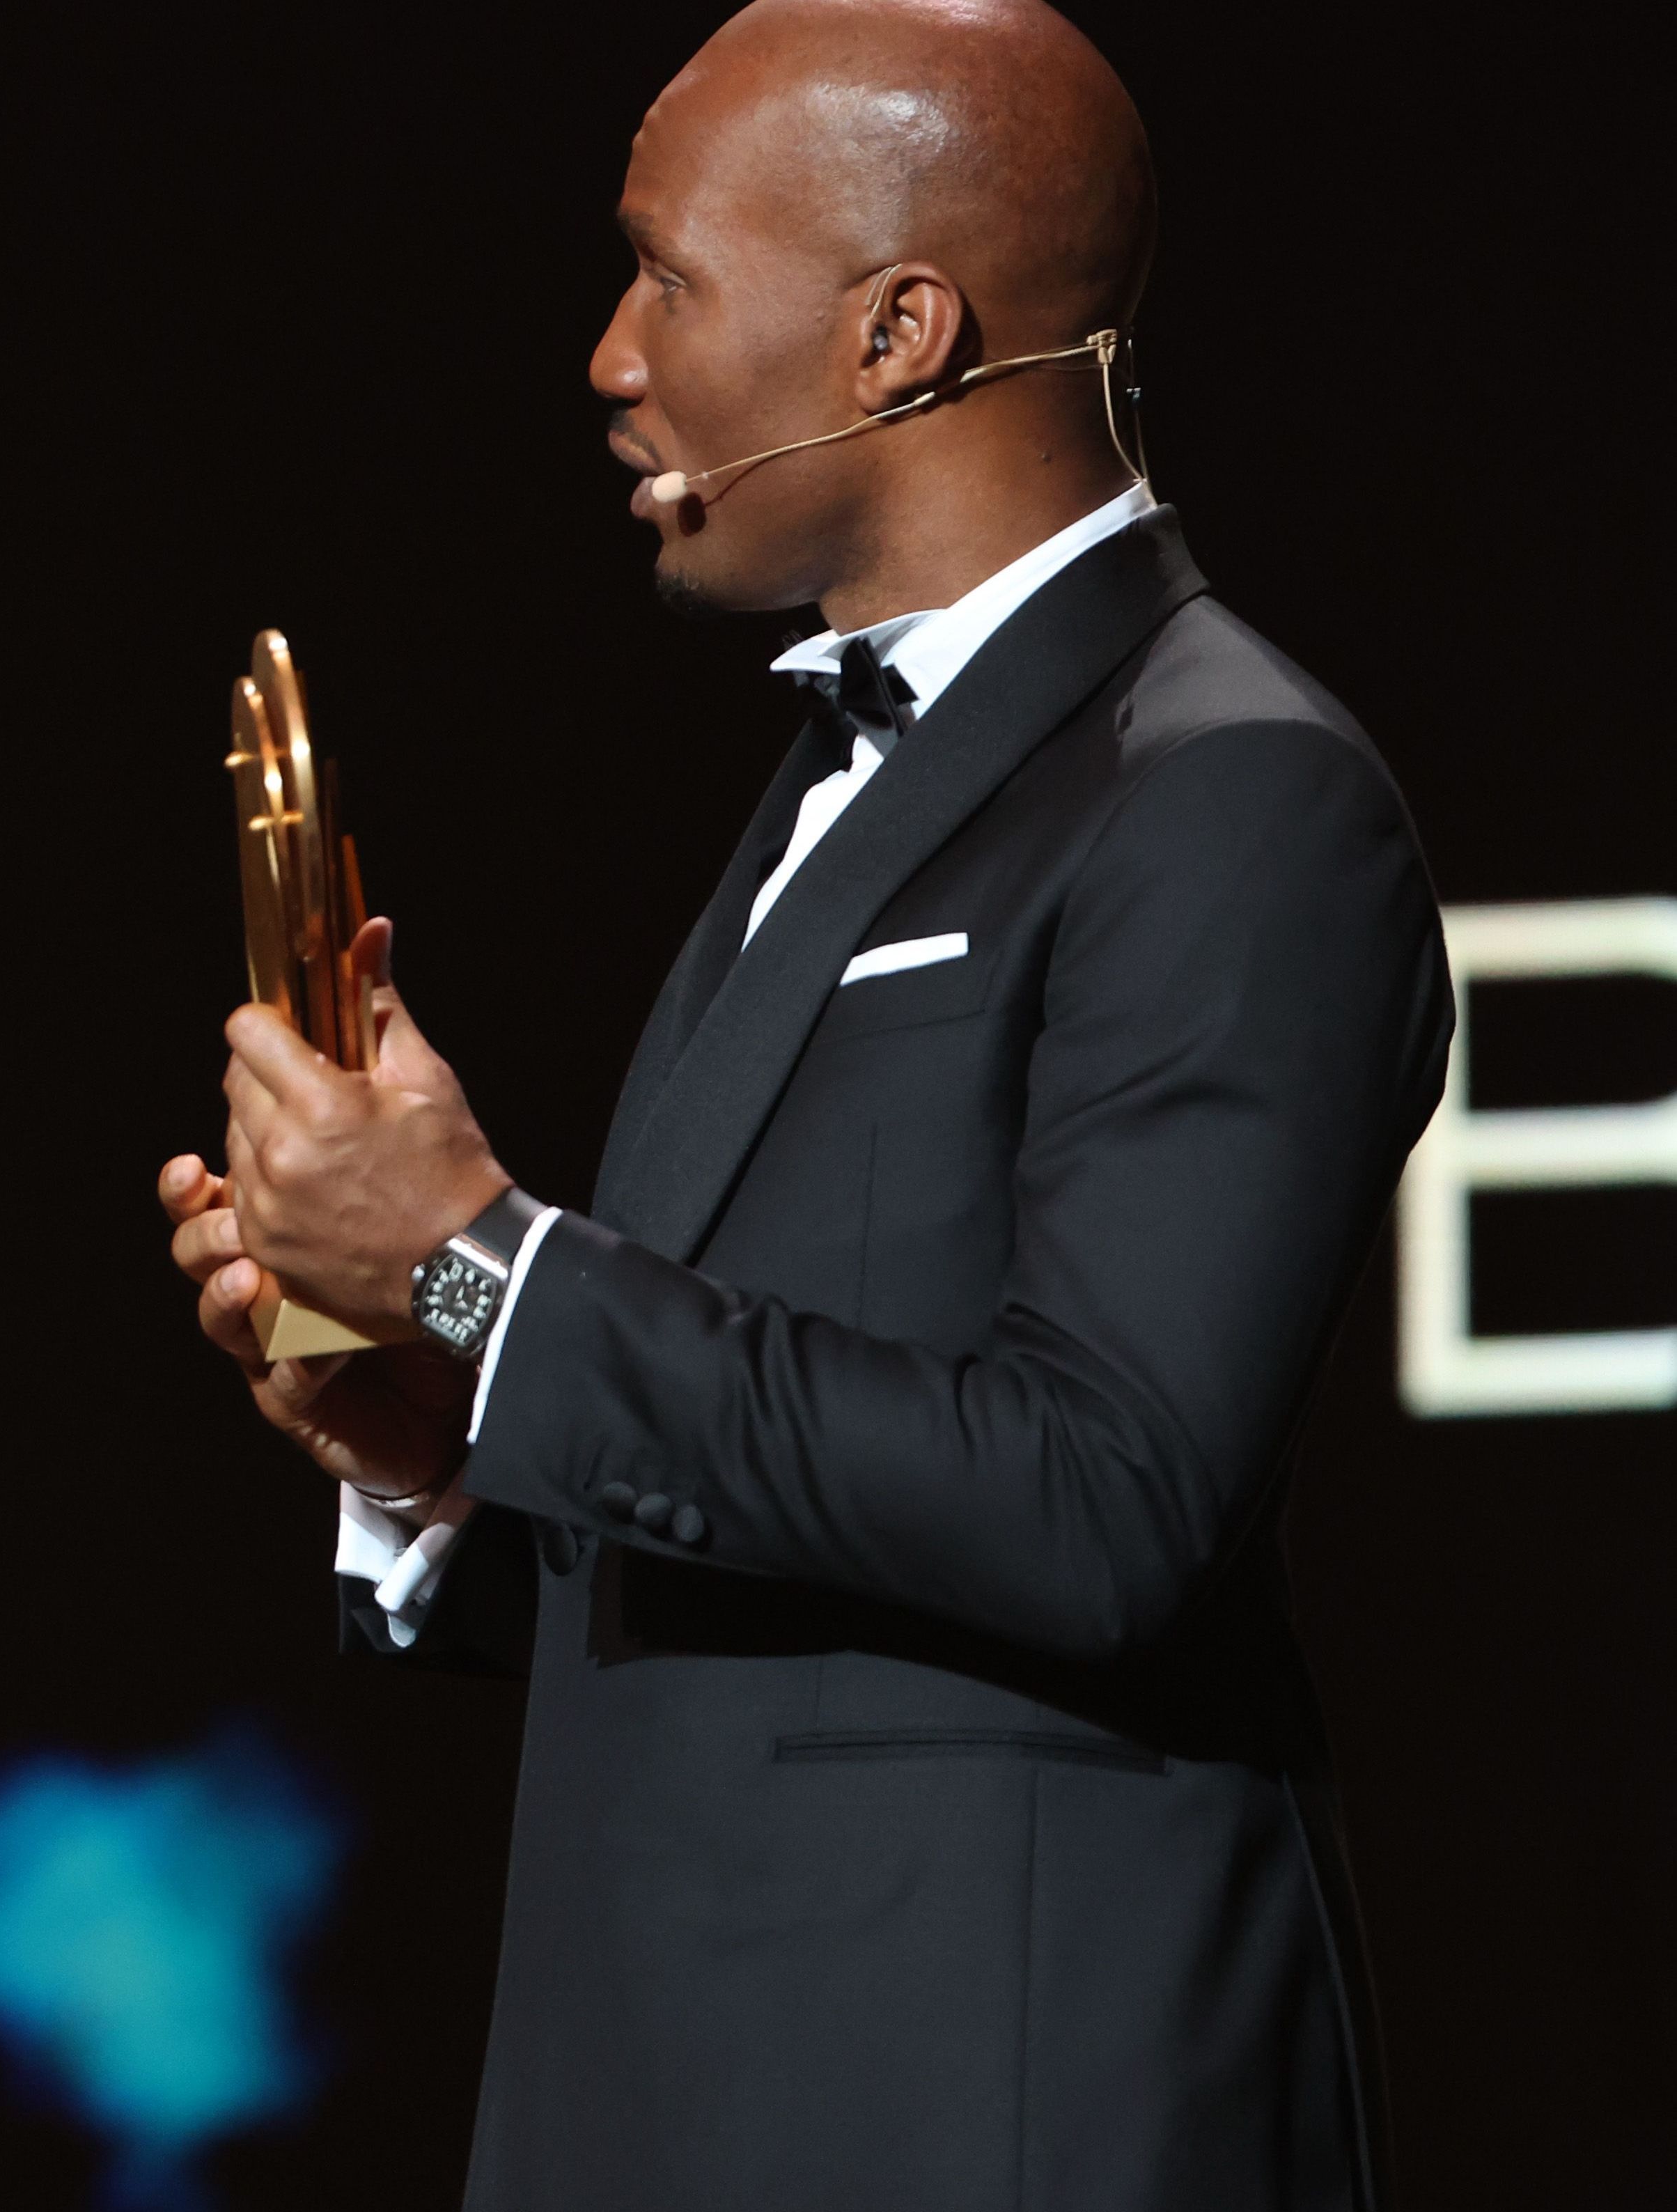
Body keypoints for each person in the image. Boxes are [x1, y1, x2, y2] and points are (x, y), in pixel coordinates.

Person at [160, 2, 1443, 2204]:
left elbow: (1104, 1494)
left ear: (898, 334)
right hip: (703, 2094)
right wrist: (439, 1449)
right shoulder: (853, 781)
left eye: (665, 273)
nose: (608, 356)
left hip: (998, 2107)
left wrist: (485, 1270)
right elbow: (788, 1512)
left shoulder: (1230, 796)